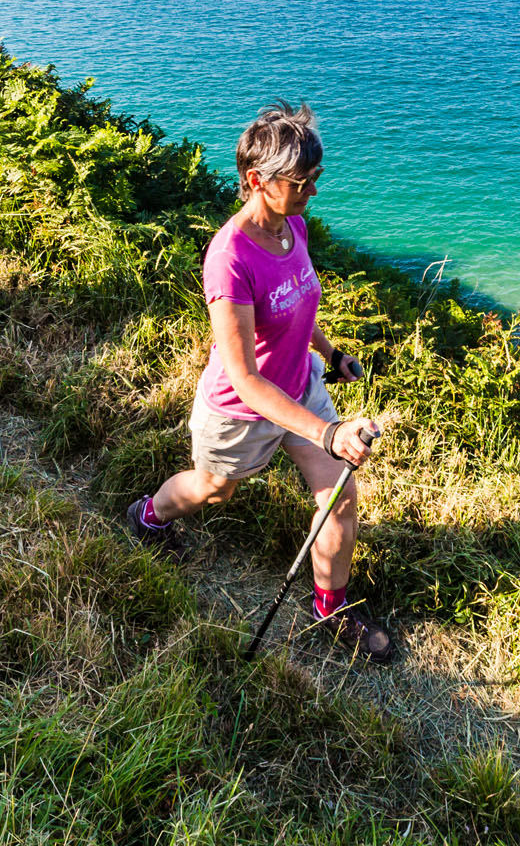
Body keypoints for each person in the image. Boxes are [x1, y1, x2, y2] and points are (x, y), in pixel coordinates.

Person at [125, 102, 396, 663]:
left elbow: (297, 301)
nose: (312, 194)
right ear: (256, 181)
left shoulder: (292, 225)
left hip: (299, 389)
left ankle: (330, 608)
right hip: (241, 411)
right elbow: (246, 379)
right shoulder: (228, 259)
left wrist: (329, 350)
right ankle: (147, 517)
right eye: (301, 183)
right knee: (213, 489)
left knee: (339, 496)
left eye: (316, 179)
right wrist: (327, 433)